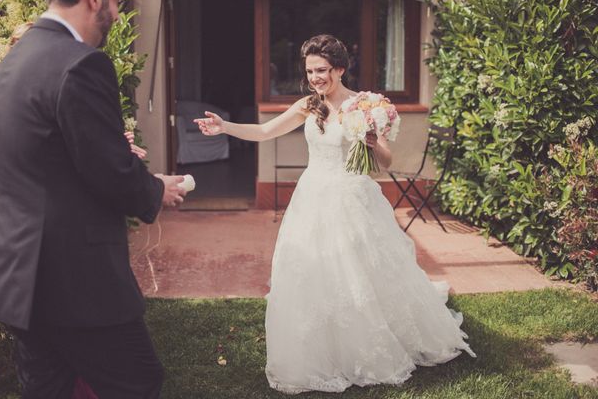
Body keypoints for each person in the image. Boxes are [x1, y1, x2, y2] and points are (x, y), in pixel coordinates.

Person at [195, 34, 475, 394]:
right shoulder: (308, 106)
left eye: (322, 70)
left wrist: (373, 144)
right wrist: (225, 127)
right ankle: (323, 346)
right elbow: (266, 131)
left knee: (362, 273)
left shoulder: (364, 106)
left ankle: (371, 342)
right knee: (315, 271)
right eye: (310, 70)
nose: (315, 77)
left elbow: (385, 163)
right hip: (313, 196)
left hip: (354, 198)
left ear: (340, 69)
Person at [0, 0, 186, 399]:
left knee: (47, 387)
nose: (116, 11)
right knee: (137, 382)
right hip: (73, 280)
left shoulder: (12, 61)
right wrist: (155, 189)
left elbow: (39, 155)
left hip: (15, 273)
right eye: (116, 0)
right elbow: (107, 171)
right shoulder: (82, 63)